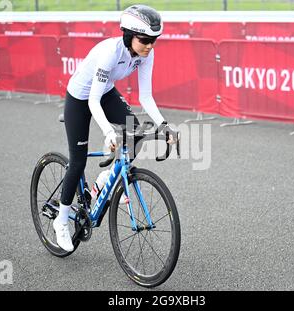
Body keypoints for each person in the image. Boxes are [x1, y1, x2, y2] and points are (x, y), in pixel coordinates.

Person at [53, 4, 178, 252]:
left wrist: (164, 126)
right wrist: (108, 131)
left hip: (106, 93)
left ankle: (102, 182)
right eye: (145, 40)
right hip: (80, 97)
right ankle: (62, 219)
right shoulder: (111, 52)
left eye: (154, 40)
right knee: (77, 162)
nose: (150, 45)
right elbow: (92, 101)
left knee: (135, 133)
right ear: (130, 35)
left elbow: (146, 97)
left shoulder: (146, 54)